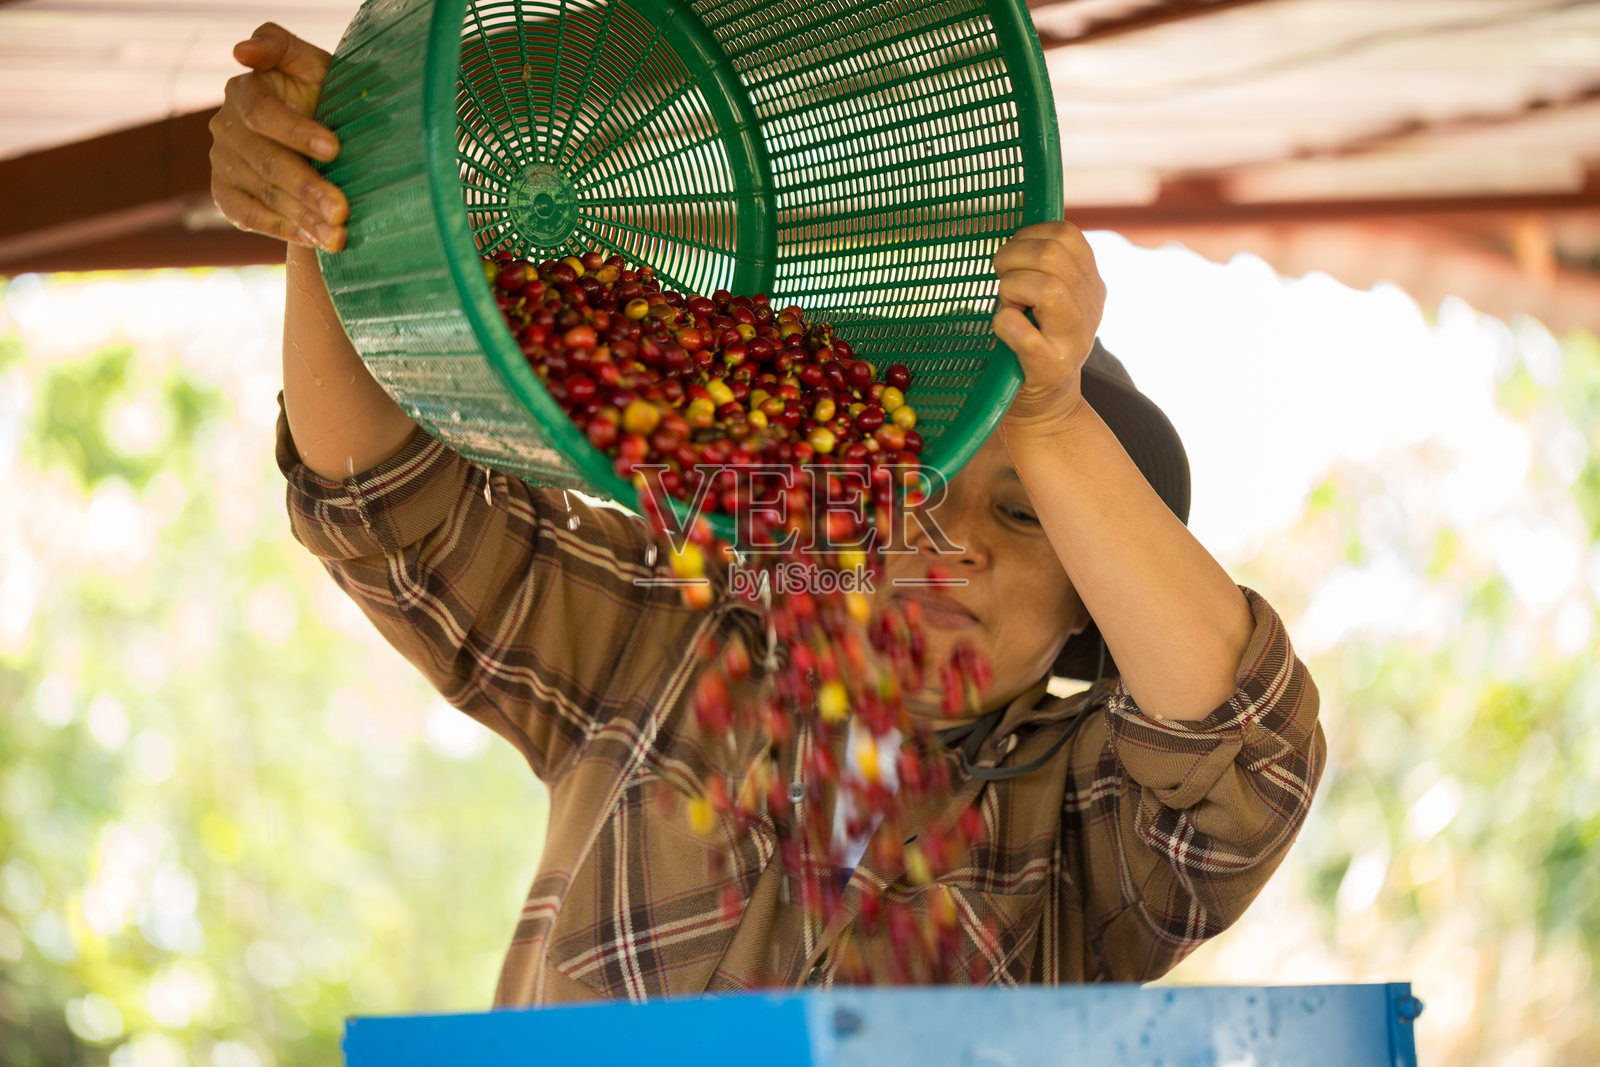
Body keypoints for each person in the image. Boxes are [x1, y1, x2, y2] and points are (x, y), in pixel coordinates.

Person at [212, 22, 1325, 1003]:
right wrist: (334, 207)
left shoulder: (1079, 827)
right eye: (913, 483)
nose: (953, 548)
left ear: (1093, 605)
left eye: (1030, 515)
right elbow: (391, 507)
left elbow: (1243, 750)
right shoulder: (667, 644)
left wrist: (1053, 413)